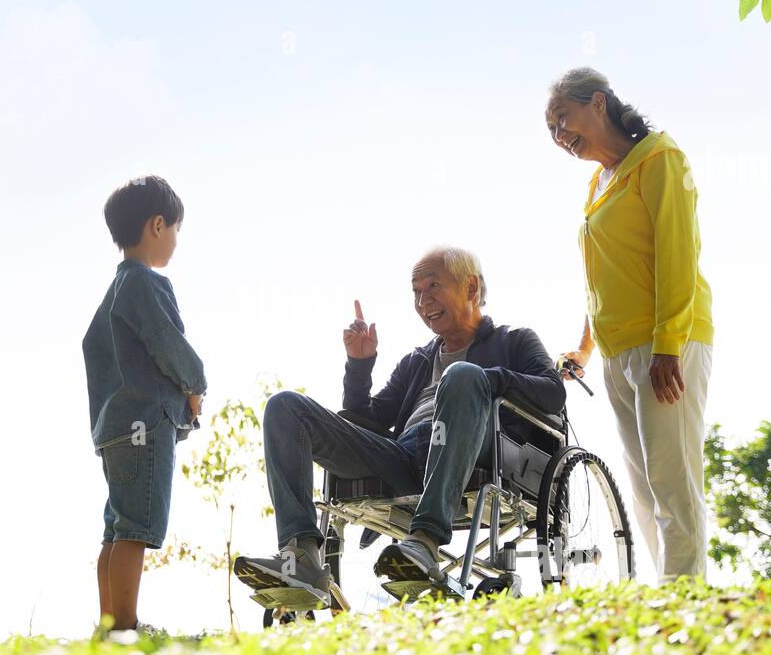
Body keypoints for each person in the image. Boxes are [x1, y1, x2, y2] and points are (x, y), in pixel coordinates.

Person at [233, 246, 564, 604]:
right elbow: (368, 420)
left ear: (470, 288)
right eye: (416, 292)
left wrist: (488, 380)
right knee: (285, 408)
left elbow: (552, 393)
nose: (423, 301)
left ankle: (424, 541)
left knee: (463, 376)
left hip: (478, 448)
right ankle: (301, 558)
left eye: (433, 286)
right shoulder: (417, 361)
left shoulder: (514, 341)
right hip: (405, 457)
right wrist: (359, 366)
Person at [544, 67, 714, 583]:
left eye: (562, 118)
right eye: (551, 130)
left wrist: (667, 346)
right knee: (642, 486)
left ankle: (687, 593)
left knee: (672, 478)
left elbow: (676, 256)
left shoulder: (660, 157)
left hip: (668, 341)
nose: (559, 135)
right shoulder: (599, 183)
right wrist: (585, 348)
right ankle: (671, 589)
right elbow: (607, 275)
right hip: (619, 350)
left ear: (598, 103)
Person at [82, 175, 206, 635]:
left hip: (113, 426)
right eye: (175, 229)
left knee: (116, 526)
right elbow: (167, 343)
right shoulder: (145, 284)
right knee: (136, 526)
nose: (175, 240)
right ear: (158, 225)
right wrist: (196, 386)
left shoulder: (113, 293)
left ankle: (109, 623)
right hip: (143, 423)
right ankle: (125, 627)